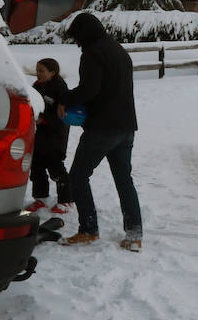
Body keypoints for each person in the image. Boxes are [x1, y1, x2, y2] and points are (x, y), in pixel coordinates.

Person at [58, 13, 143, 251]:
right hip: (126, 126)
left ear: (84, 34)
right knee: (124, 179)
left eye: (77, 38)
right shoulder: (118, 50)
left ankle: (88, 229)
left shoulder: (93, 53)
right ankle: (134, 235)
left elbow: (89, 91)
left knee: (77, 176)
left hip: (103, 128)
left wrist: (64, 98)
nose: (76, 43)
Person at [26, 57, 72, 214]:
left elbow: (63, 114)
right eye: (37, 70)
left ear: (53, 72)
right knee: (37, 166)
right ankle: (41, 198)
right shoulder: (36, 87)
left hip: (55, 135)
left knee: (56, 167)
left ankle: (66, 200)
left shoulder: (60, 88)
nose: (38, 74)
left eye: (42, 71)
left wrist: (45, 120)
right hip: (39, 135)